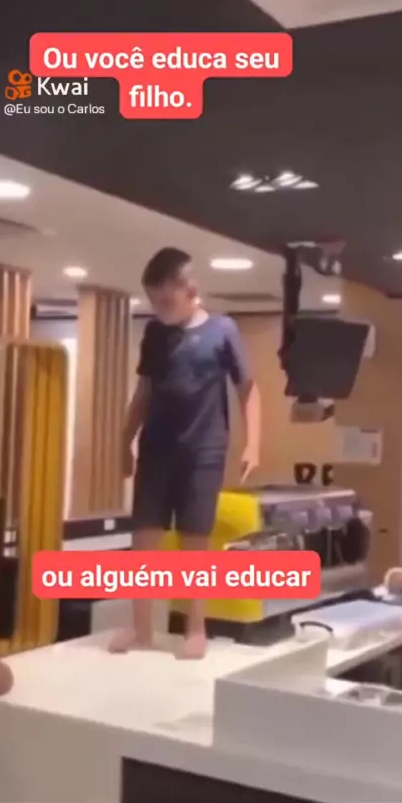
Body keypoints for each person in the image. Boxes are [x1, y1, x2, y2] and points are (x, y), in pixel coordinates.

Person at [109, 247, 261, 659]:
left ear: (189, 290)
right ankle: (141, 629)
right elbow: (143, 392)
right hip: (156, 448)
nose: (159, 309)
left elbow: (248, 390)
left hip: (203, 449)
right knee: (144, 538)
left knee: (195, 541)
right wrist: (124, 440)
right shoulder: (155, 334)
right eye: (154, 302)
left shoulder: (222, 330)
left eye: (166, 301)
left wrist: (253, 444)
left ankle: (196, 628)